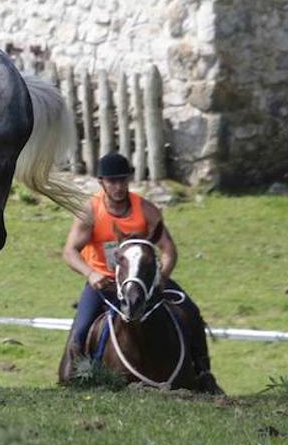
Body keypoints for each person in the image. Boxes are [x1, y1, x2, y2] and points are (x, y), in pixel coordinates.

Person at [61, 152, 222, 393]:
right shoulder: (91, 212)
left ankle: (203, 371)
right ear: (101, 182)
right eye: (112, 181)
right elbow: (70, 251)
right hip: (105, 281)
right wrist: (90, 274)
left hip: (145, 280)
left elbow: (168, 250)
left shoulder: (146, 210)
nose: (118, 187)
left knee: (191, 310)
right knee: (82, 328)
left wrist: (162, 277)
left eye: (123, 181)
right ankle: (72, 378)